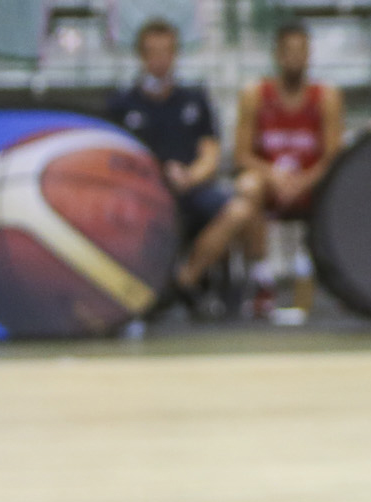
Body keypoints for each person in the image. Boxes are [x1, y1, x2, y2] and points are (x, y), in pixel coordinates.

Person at [104, 19, 258, 309]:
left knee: (240, 209)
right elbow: (116, 159)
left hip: (191, 189)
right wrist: (160, 175)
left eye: (166, 51)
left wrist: (189, 176)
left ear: (175, 55)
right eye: (153, 52)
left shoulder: (194, 99)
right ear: (141, 56)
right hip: (144, 192)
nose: (160, 59)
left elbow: (210, 153)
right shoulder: (121, 104)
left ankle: (185, 280)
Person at [234, 22, 344, 321]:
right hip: (271, 184)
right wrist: (274, 176)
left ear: (310, 55)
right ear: (277, 55)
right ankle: (262, 279)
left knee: (339, 183)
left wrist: (303, 182)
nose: (295, 58)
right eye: (289, 52)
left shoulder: (326, 96)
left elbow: (333, 156)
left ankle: (313, 276)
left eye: (302, 51)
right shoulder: (255, 94)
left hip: (313, 183)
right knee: (248, 187)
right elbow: (241, 155)